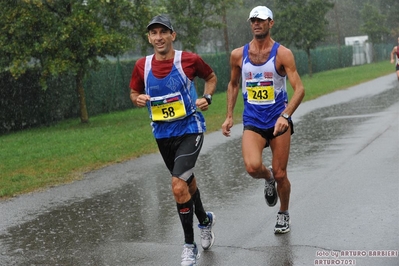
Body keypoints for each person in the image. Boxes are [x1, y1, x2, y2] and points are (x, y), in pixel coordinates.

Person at [129, 15, 217, 266]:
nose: (159, 37)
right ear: (149, 38)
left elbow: (210, 77)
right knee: (186, 183)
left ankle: (189, 246)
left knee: (178, 185)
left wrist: (207, 98)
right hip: (162, 134)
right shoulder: (141, 66)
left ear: (172, 35)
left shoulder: (188, 60)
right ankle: (205, 220)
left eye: (163, 32)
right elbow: (134, 92)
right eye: (154, 33)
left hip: (190, 128)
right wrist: (137, 98)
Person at [222, 6, 305, 234]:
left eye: (261, 20)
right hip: (253, 120)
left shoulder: (283, 54)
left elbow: (299, 89)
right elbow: (233, 84)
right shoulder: (238, 55)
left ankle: (283, 213)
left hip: (278, 121)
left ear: (271, 23)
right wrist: (229, 115)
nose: (256, 24)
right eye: (253, 20)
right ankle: (267, 177)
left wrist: (285, 116)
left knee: (282, 174)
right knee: (252, 167)